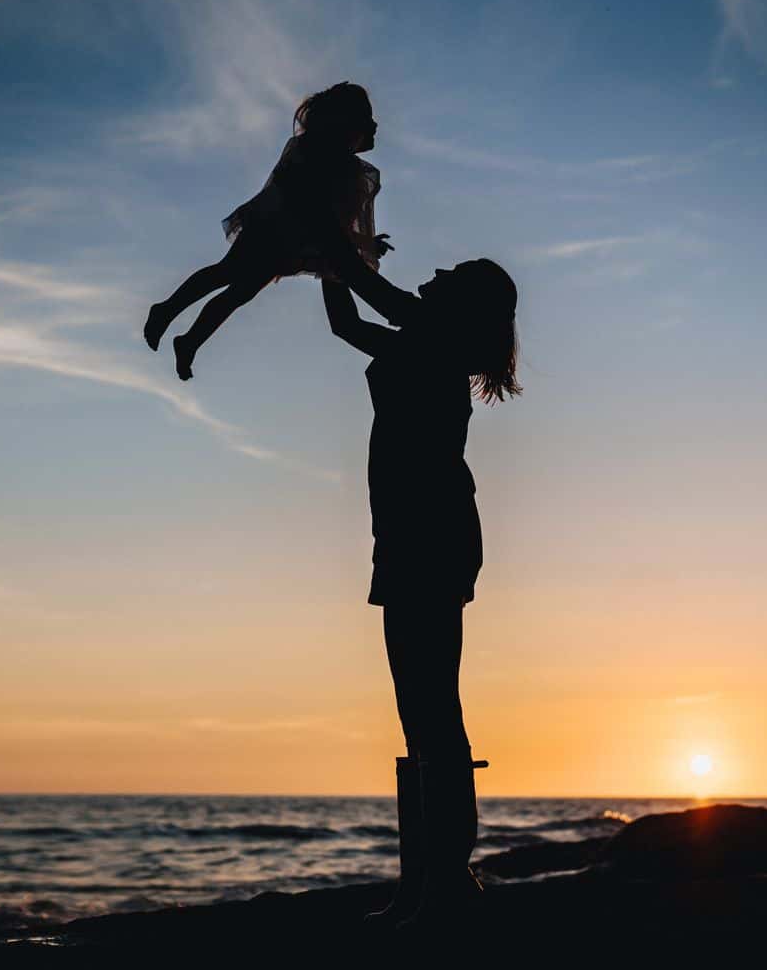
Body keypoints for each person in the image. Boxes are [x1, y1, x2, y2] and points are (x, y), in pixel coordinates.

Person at [320, 240, 519, 932]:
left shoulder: (433, 338)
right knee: (421, 712)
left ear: (460, 303)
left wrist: (336, 250)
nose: (431, 275)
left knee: (432, 711)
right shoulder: (426, 339)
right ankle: (427, 882)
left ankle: (446, 881)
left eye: (449, 276)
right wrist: (331, 264)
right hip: (413, 536)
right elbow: (346, 323)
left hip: (428, 537)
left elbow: (367, 301)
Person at [143, 81, 388, 380]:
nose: (375, 124)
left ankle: (189, 341)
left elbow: (338, 222)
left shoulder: (354, 171)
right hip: (273, 229)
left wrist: (365, 241)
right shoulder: (316, 151)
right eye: (368, 118)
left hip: (297, 243)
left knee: (239, 291)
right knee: (229, 272)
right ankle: (167, 310)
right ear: (347, 123)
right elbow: (295, 191)